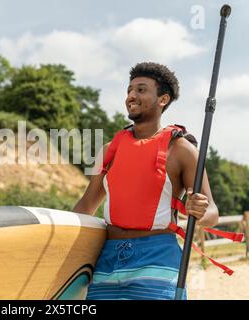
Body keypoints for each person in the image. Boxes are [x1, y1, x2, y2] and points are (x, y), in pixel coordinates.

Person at [72, 62, 219, 300]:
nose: (131, 96)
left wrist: (201, 210)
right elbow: (86, 206)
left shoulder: (183, 150)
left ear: (163, 99)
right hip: (107, 261)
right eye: (129, 90)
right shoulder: (109, 150)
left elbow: (212, 212)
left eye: (141, 90)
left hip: (157, 259)